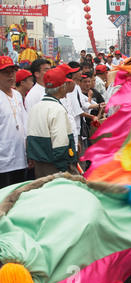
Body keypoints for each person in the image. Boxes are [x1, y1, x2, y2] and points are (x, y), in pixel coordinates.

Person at [26, 67, 79, 178]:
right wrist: (62, 167)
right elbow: (60, 141)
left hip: (40, 162)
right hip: (55, 163)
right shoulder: (57, 109)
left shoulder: (36, 107)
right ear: (61, 88)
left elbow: (30, 136)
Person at [0, 56, 28, 188]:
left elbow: (24, 124)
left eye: (13, 72)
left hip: (20, 156)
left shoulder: (17, 95)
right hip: (3, 159)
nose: (11, 76)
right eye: (6, 72)